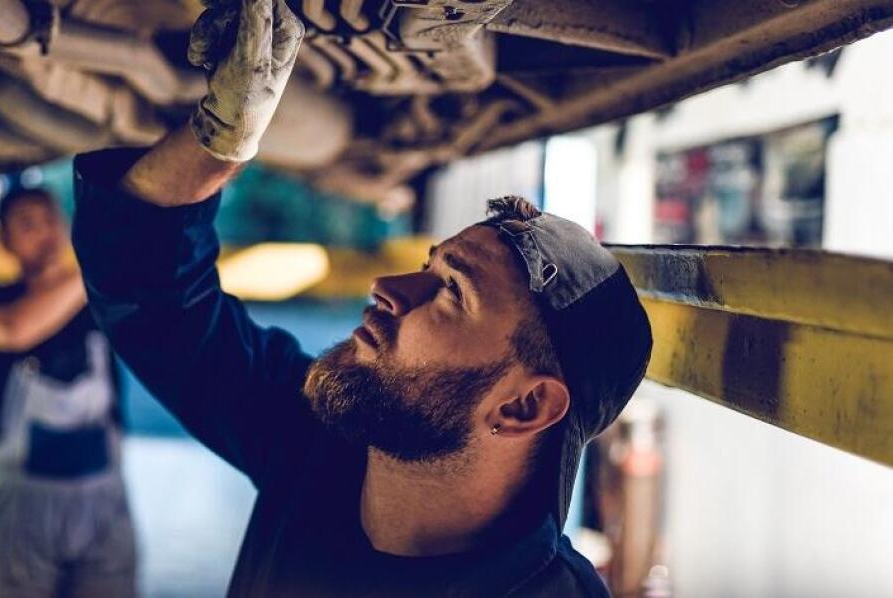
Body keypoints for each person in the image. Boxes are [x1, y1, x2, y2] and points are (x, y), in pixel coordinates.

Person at [73, 0, 651, 595]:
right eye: (428, 267)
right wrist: (220, 137)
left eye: (452, 291)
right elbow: (149, 290)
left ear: (522, 407)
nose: (388, 288)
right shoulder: (327, 443)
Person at [0, 186, 136, 598]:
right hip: (21, 512)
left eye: (51, 220)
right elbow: (12, 331)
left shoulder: (99, 302)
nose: (45, 232)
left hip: (104, 502)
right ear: (5, 240)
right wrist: (96, 267)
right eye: (28, 225)